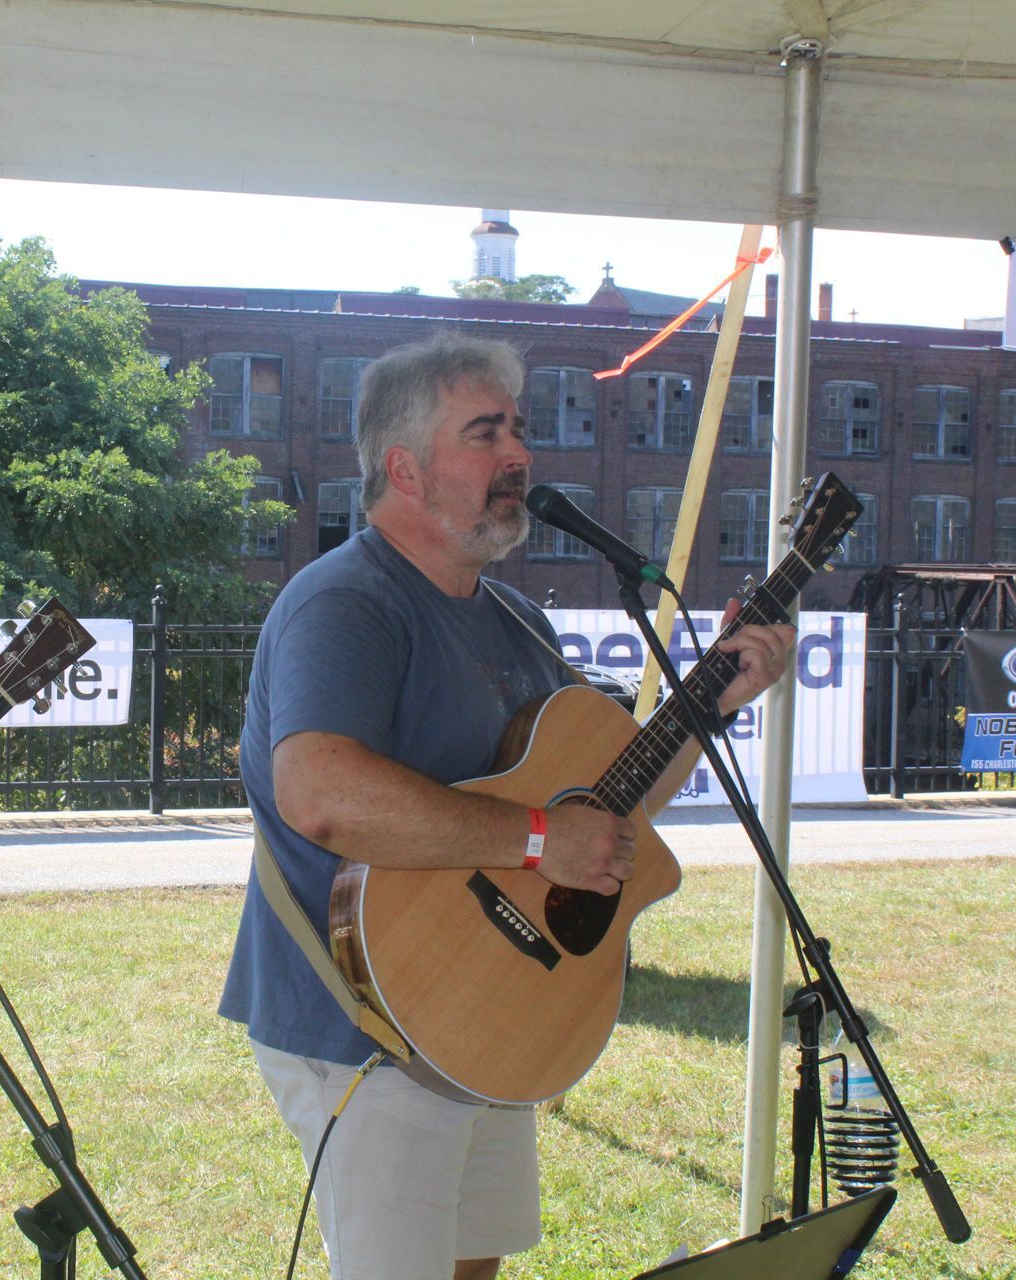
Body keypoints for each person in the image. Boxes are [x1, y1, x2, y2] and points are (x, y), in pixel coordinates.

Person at [219, 333, 797, 1280]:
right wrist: (536, 839)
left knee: (472, 1268)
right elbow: (319, 792)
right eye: (485, 433)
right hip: (363, 1026)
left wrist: (711, 701)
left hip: (486, 1015)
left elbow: (604, 808)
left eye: (518, 430)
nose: (519, 455)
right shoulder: (347, 602)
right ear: (404, 467)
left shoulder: (513, 620)